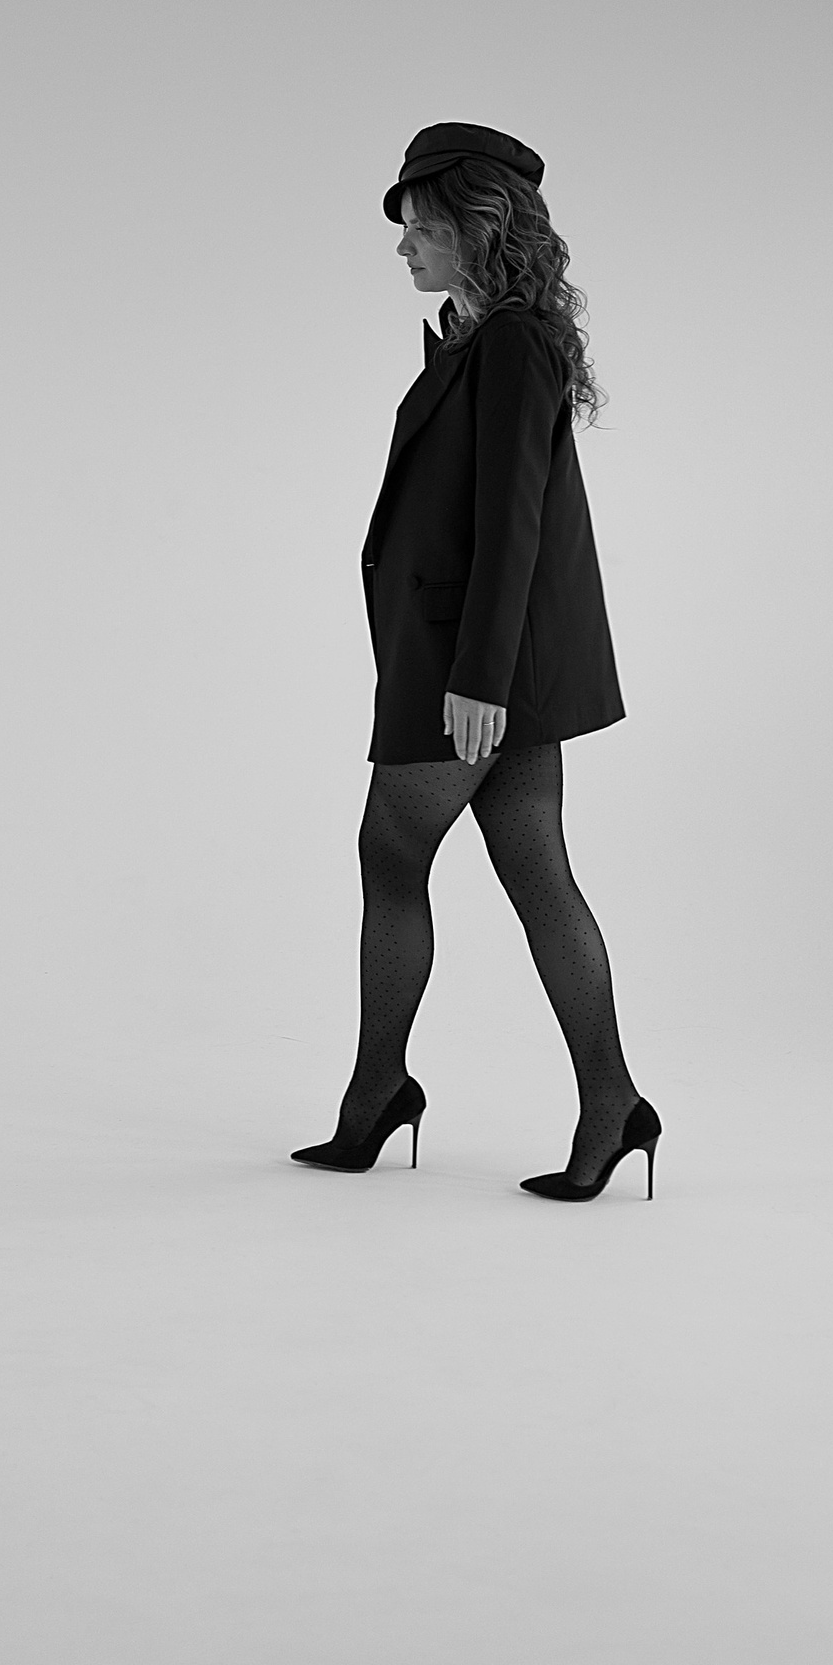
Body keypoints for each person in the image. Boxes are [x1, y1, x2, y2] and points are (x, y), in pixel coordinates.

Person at [291, 122, 661, 1201]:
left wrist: (479, 680)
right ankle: (611, 1106)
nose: (404, 247)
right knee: (536, 869)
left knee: (390, 848)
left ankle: (378, 1094)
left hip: (474, 662)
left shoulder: (510, 345)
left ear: (478, 228)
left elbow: (513, 523)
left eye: (423, 227)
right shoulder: (476, 337)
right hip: (480, 655)